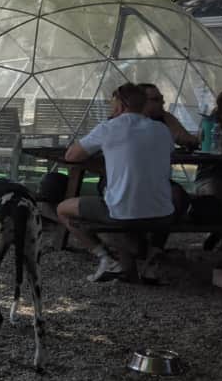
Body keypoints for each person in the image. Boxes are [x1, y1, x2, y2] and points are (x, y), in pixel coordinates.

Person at [56, 84, 175, 282]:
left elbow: (71, 156)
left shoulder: (109, 128)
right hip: (164, 215)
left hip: (122, 213)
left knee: (62, 209)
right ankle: (152, 259)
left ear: (120, 105)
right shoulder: (162, 130)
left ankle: (107, 259)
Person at [138, 83, 200, 149]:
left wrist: (189, 139)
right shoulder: (131, 124)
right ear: (141, 102)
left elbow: (190, 141)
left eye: (161, 98)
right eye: (156, 99)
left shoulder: (165, 118)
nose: (163, 102)